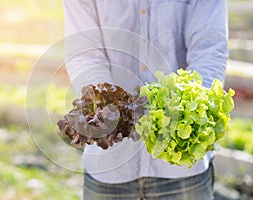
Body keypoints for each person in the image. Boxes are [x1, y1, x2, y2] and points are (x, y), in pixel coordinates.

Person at [63, 0, 228, 199]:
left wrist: (186, 117)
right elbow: (85, 53)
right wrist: (108, 108)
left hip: (181, 169)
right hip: (110, 168)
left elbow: (209, 50)